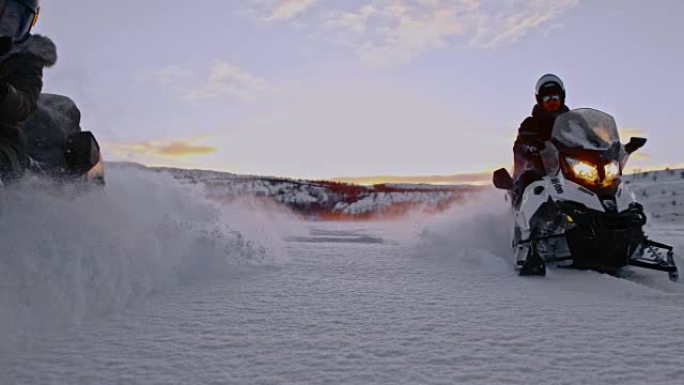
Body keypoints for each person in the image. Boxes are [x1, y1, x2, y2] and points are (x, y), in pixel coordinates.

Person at [0, 0, 55, 184]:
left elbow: (24, 103)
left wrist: (4, 92)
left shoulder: (27, 61)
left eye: (14, 17)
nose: (5, 23)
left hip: (4, 140)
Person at [510, 74, 570, 207]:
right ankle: (520, 217)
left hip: (571, 168)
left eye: (555, 97)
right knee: (527, 179)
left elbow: (591, 137)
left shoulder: (573, 122)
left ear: (562, 98)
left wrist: (611, 146)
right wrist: (530, 145)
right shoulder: (530, 123)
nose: (552, 101)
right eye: (547, 98)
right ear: (540, 100)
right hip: (541, 169)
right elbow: (520, 144)